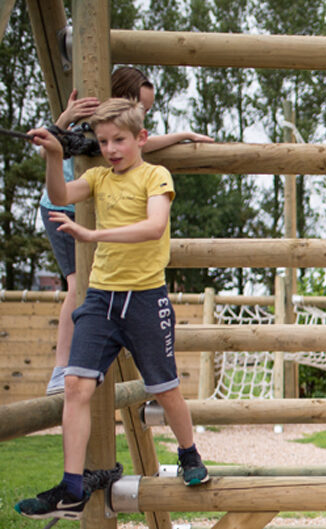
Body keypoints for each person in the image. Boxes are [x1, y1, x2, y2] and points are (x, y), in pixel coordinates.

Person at [17, 98, 210, 521]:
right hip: (102, 298)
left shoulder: (154, 175)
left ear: (140, 138)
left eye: (119, 139)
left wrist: (91, 232)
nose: (110, 149)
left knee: (165, 387)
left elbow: (154, 226)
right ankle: (71, 487)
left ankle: (189, 454)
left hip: (145, 299)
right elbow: (59, 194)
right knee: (76, 386)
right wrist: (54, 154)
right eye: (103, 141)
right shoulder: (99, 178)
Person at [41, 67, 213, 395]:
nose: (111, 146)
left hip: (86, 207)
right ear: (122, 99)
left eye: (147, 112)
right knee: (78, 284)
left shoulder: (121, 138)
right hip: (62, 207)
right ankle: (61, 368)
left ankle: (107, 372)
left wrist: (183, 135)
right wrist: (63, 118)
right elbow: (51, 149)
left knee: (96, 285)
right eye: (142, 107)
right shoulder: (93, 121)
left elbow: (144, 141)